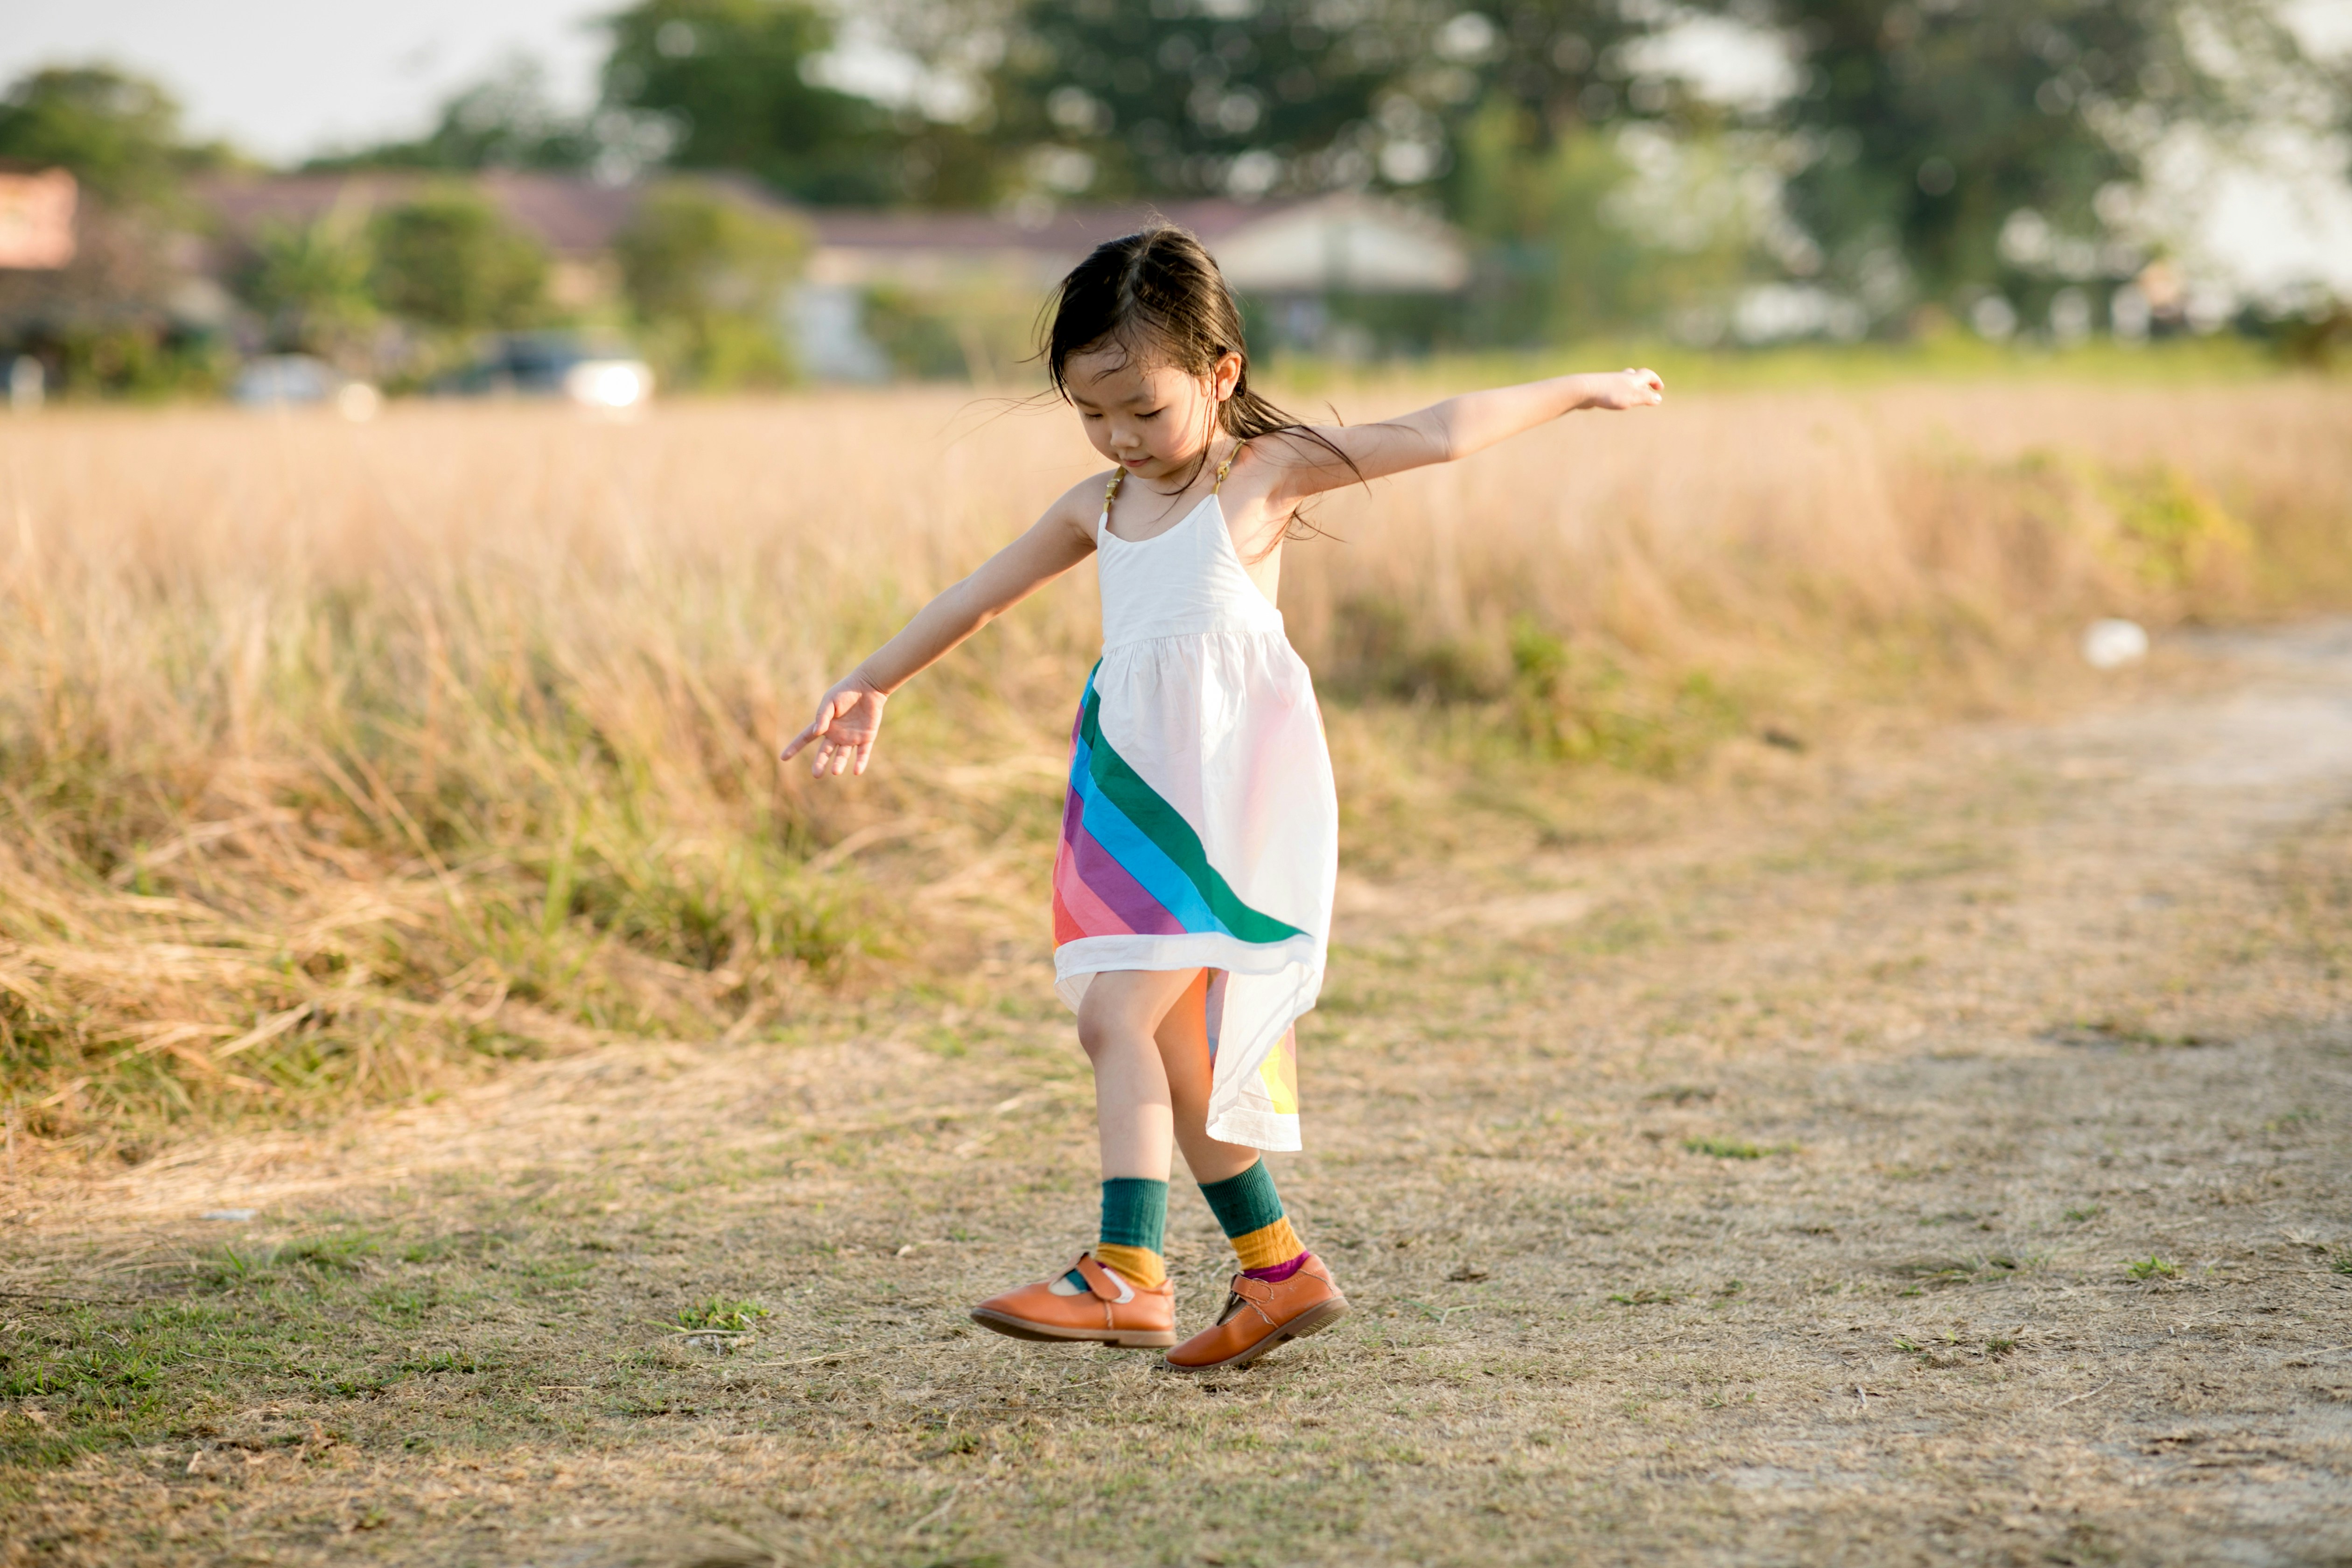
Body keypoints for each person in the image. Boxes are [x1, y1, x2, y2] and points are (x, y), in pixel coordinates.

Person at [783, 226, 1664, 1372]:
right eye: (1092, 413)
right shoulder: (1093, 507)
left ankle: (1125, 1273)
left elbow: (1439, 431)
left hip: (1224, 794)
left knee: (1114, 1017)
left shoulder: (1266, 475)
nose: (1119, 438)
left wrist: (1587, 388)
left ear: (1220, 375)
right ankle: (1280, 1272)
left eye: (1144, 410)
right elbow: (976, 596)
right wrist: (871, 682)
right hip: (1128, 788)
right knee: (1176, 1049)